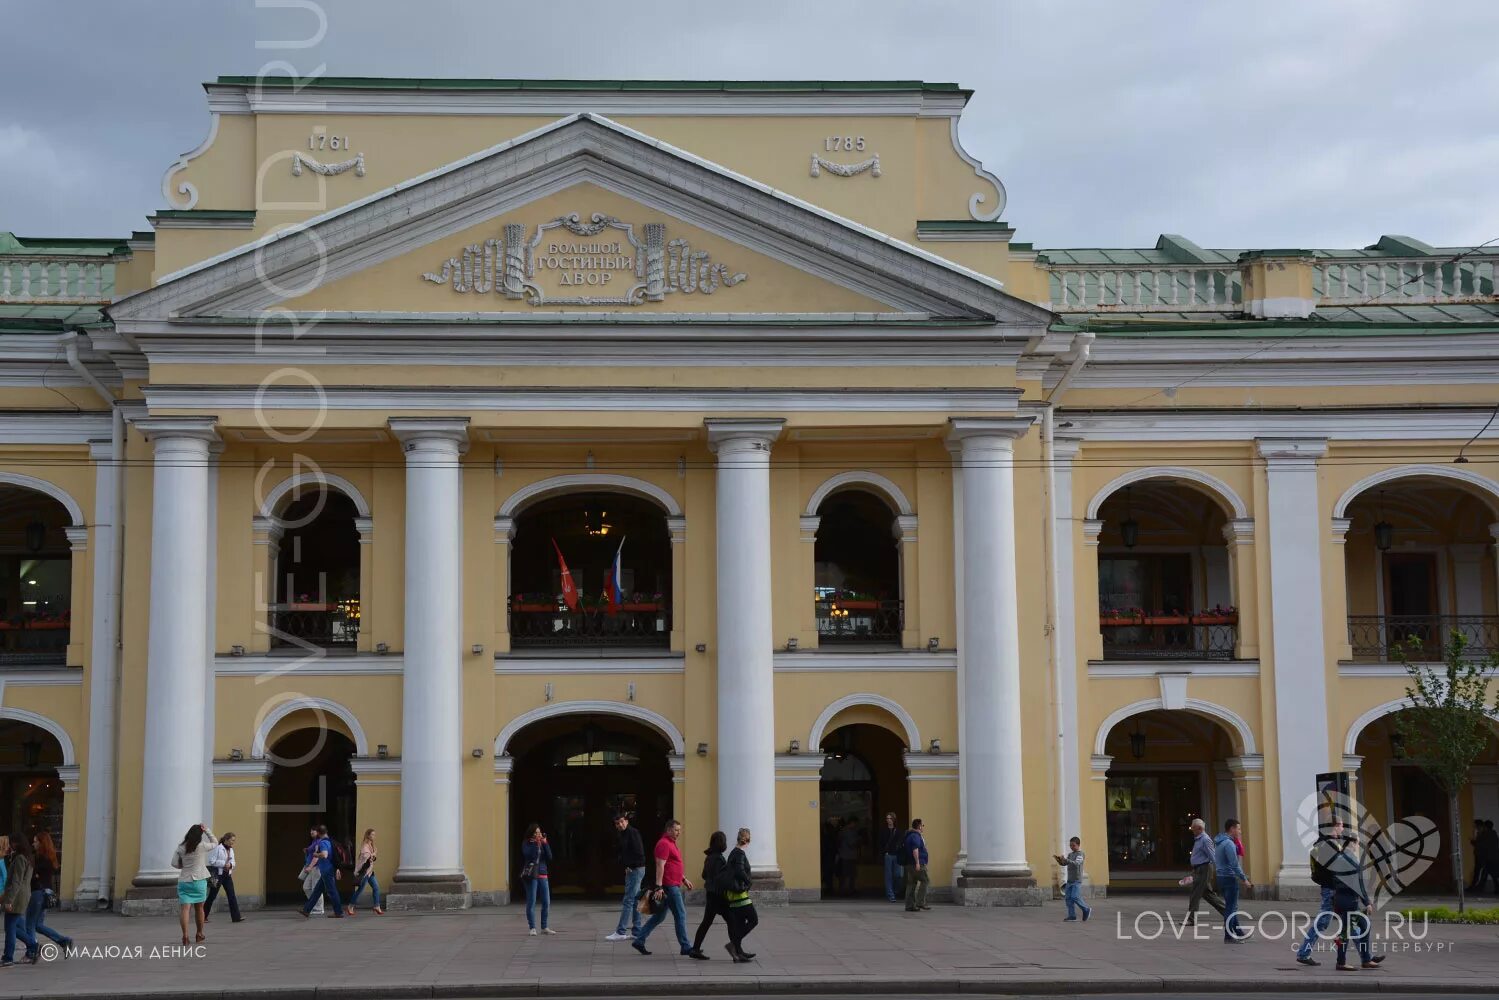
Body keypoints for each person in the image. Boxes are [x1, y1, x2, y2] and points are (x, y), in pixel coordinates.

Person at [632, 818, 694, 956]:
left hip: (673, 883)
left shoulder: (671, 843)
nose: (679, 832)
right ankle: (685, 946)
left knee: (659, 917)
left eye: (679, 830)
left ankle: (639, 940)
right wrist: (659, 887)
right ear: (668, 829)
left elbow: (673, 865)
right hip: (669, 886)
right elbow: (660, 866)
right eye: (676, 830)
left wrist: (683, 879)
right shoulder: (664, 844)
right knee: (681, 914)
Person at [1329, 834, 1380, 971]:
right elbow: (1358, 884)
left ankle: (1366, 959)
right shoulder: (1350, 859)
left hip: (1342, 899)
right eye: (1357, 843)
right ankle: (1341, 962)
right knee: (1347, 932)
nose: (1358, 846)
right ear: (1351, 843)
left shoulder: (1339, 858)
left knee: (1363, 926)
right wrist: (1367, 902)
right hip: (1348, 901)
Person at [1297, 818, 1344, 966]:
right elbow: (1335, 869)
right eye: (1341, 825)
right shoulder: (1330, 845)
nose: (1342, 829)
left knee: (1353, 920)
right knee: (1323, 922)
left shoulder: (1322, 843)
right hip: (1331, 888)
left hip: (1329, 887)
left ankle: (1366, 956)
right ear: (1335, 826)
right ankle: (1303, 953)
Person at [170, 823, 217, 946]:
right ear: (199, 835)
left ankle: (185, 936)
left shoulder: (181, 847)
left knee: (185, 910)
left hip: (184, 881)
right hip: (199, 880)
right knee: (199, 908)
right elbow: (215, 842)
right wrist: (207, 830)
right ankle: (199, 933)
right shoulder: (202, 846)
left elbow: (174, 863)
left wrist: (183, 866)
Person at [25, 831, 73, 951]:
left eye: (36, 841)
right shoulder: (50, 857)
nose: (33, 843)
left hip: (38, 893)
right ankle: (63, 940)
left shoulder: (41, 858)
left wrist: (33, 874)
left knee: (30, 924)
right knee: (38, 925)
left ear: (42, 843)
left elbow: (33, 875)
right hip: (46, 893)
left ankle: (32, 951)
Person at [688, 830, 729, 959]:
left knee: (706, 922)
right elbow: (720, 878)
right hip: (718, 896)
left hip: (711, 894)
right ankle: (737, 949)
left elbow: (704, 875)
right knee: (732, 921)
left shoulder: (709, 857)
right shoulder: (719, 859)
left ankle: (695, 948)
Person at [607, 813, 645, 941]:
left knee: (628, 900)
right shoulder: (622, 834)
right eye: (617, 823)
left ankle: (621, 931)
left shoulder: (632, 833)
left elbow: (639, 852)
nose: (620, 825)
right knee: (634, 901)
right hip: (634, 869)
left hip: (635, 869)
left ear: (627, 821)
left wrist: (629, 865)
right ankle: (637, 931)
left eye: (622, 822)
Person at [0, 834, 37, 965]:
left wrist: (9, 900)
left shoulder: (20, 858)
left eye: (11, 843)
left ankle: (8, 957)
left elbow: (16, 881)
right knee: (13, 927)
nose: (10, 845)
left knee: (10, 928)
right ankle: (33, 945)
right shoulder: (28, 858)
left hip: (17, 897)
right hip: (22, 895)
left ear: (17, 843)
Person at [1213, 820, 1251, 942]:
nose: (1240, 832)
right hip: (1229, 878)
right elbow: (1234, 864)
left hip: (1220, 877)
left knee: (1231, 907)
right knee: (1231, 908)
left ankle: (1239, 932)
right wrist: (1244, 878)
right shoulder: (1228, 844)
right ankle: (1228, 936)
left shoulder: (1219, 842)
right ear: (1232, 829)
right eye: (1238, 829)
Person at [724, 828, 758, 962]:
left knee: (740, 923)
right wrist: (749, 881)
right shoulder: (740, 854)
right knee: (753, 920)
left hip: (733, 894)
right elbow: (739, 870)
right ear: (748, 840)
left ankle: (739, 952)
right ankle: (733, 944)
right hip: (740, 895)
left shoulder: (733, 852)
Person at [1184, 817, 1225, 926]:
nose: (1192, 830)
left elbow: (1213, 856)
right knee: (1208, 894)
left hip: (1204, 869)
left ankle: (1191, 919)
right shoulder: (1198, 839)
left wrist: (1219, 870)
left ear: (1200, 828)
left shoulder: (1205, 840)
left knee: (1195, 893)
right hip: (1198, 869)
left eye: (1194, 829)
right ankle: (1227, 912)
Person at [300, 824, 344, 918]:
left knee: (332, 891)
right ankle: (306, 910)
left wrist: (316, 854)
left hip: (326, 870)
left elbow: (324, 855)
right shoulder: (330, 841)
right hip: (328, 869)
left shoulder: (323, 843)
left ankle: (338, 912)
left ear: (319, 833)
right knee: (317, 891)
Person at [520, 823, 554, 935]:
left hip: (543, 874)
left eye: (539, 832)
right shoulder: (527, 843)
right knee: (532, 901)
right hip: (531, 875)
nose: (538, 835)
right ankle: (532, 928)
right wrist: (536, 844)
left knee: (546, 901)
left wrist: (545, 843)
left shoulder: (542, 843)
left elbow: (549, 857)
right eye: (536, 833)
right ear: (532, 834)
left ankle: (544, 927)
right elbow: (529, 856)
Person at [204, 831, 242, 923]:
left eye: (234, 840)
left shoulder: (231, 849)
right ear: (226, 839)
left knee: (232, 896)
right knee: (212, 896)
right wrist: (223, 864)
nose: (233, 842)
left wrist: (231, 865)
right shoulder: (218, 848)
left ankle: (236, 917)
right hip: (218, 875)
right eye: (232, 840)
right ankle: (203, 916)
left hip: (227, 875)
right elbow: (211, 861)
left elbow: (234, 862)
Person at [347, 828, 384, 916]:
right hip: (364, 872)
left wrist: (374, 854)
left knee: (376, 888)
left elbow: (371, 859)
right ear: (368, 835)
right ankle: (350, 906)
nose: (374, 836)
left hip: (370, 871)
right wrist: (374, 854)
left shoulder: (371, 845)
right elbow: (366, 857)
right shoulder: (365, 845)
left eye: (374, 835)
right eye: (372, 835)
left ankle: (377, 906)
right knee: (360, 890)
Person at [1053, 836, 1091, 922]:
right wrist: (1060, 860)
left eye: (1073, 845)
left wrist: (1066, 860)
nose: (1071, 847)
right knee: (1068, 898)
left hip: (1077, 880)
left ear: (1078, 845)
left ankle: (1086, 909)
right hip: (1069, 880)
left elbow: (1076, 864)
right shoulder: (1070, 854)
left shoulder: (1080, 854)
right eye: (1070, 845)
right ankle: (1072, 915)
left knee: (1075, 897)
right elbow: (1065, 864)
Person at [902, 818, 930, 912]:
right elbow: (915, 849)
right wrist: (917, 863)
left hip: (909, 863)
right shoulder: (915, 836)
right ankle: (920, 902)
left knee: (911, 883)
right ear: (919, 826)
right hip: (917, 863)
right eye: (922, 825)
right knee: (925, 880)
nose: (923, 827)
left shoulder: (909, 835)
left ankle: (909, 905)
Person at [881, 813, 904, 902]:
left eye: (890, 818)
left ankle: (896, 891)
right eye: (887, 818)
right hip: (888, 855)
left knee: (898, 875)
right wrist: (884, 852)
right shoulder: (884, 831)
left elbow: (901, 842)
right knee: (888, 876)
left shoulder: (898, 831)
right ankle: (891, 895)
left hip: (897, 855)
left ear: (893, 819)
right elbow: (881, 842)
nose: (888, 820)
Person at [302, 827, 325, 915]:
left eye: (313, 830)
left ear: (318, 832)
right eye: (311, 830)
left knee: (316, 888)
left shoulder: (319, 842)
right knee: (306, 887)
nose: (311, 831)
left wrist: (310, 866)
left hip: (317, 868)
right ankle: (313, 905)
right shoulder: (314, 842)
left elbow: (316, 856)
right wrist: (307, 850)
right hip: (311, 867)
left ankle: (319, 909)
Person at [836, 818, 860, 895]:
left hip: (845, 855)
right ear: (851, 823)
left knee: (847, 874)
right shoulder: (847, 832)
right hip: (848, 856)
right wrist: (859, 839)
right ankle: (848, 890)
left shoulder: (843, 831)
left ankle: (844, 889)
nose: (855, 825)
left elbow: (839, 842)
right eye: (854, 823)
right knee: (848, 874)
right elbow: (851, 843)